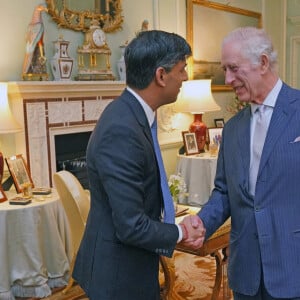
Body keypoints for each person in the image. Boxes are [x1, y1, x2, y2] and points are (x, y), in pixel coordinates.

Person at [73, 30, 205, 300]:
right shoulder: (123, 129)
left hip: (129, 263)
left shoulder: (131, 113)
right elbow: (131, 226)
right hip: (118, 274)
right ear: (160, 75)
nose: (185, 77)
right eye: (181, 69)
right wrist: (180, 232)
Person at [181, 26, 300, 300]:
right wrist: (201, 222)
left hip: (292, 266)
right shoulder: (232, 129)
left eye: (233, 68)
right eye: (225, 69)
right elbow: (224, 191)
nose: (228, 78)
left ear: (263, 62)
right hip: (246, 272)